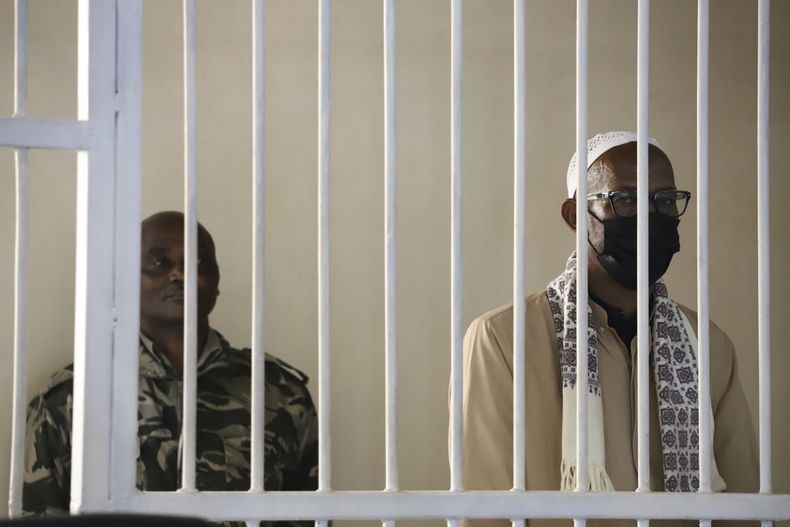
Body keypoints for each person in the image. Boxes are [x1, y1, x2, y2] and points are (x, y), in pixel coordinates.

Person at [458, 132, 758, 527]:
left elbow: (744, 505)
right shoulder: (503, 340)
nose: (649, 217)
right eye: (625, 200)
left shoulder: (706, 344)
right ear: (574, 215)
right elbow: (485, 511)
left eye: (665, 200)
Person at [23, 211, 318, 526]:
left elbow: (312, 514)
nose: (180, 273)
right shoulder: (73, 398)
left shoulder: (278, 393)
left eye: (199, 262)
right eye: (158, 262)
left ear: (217, 281)